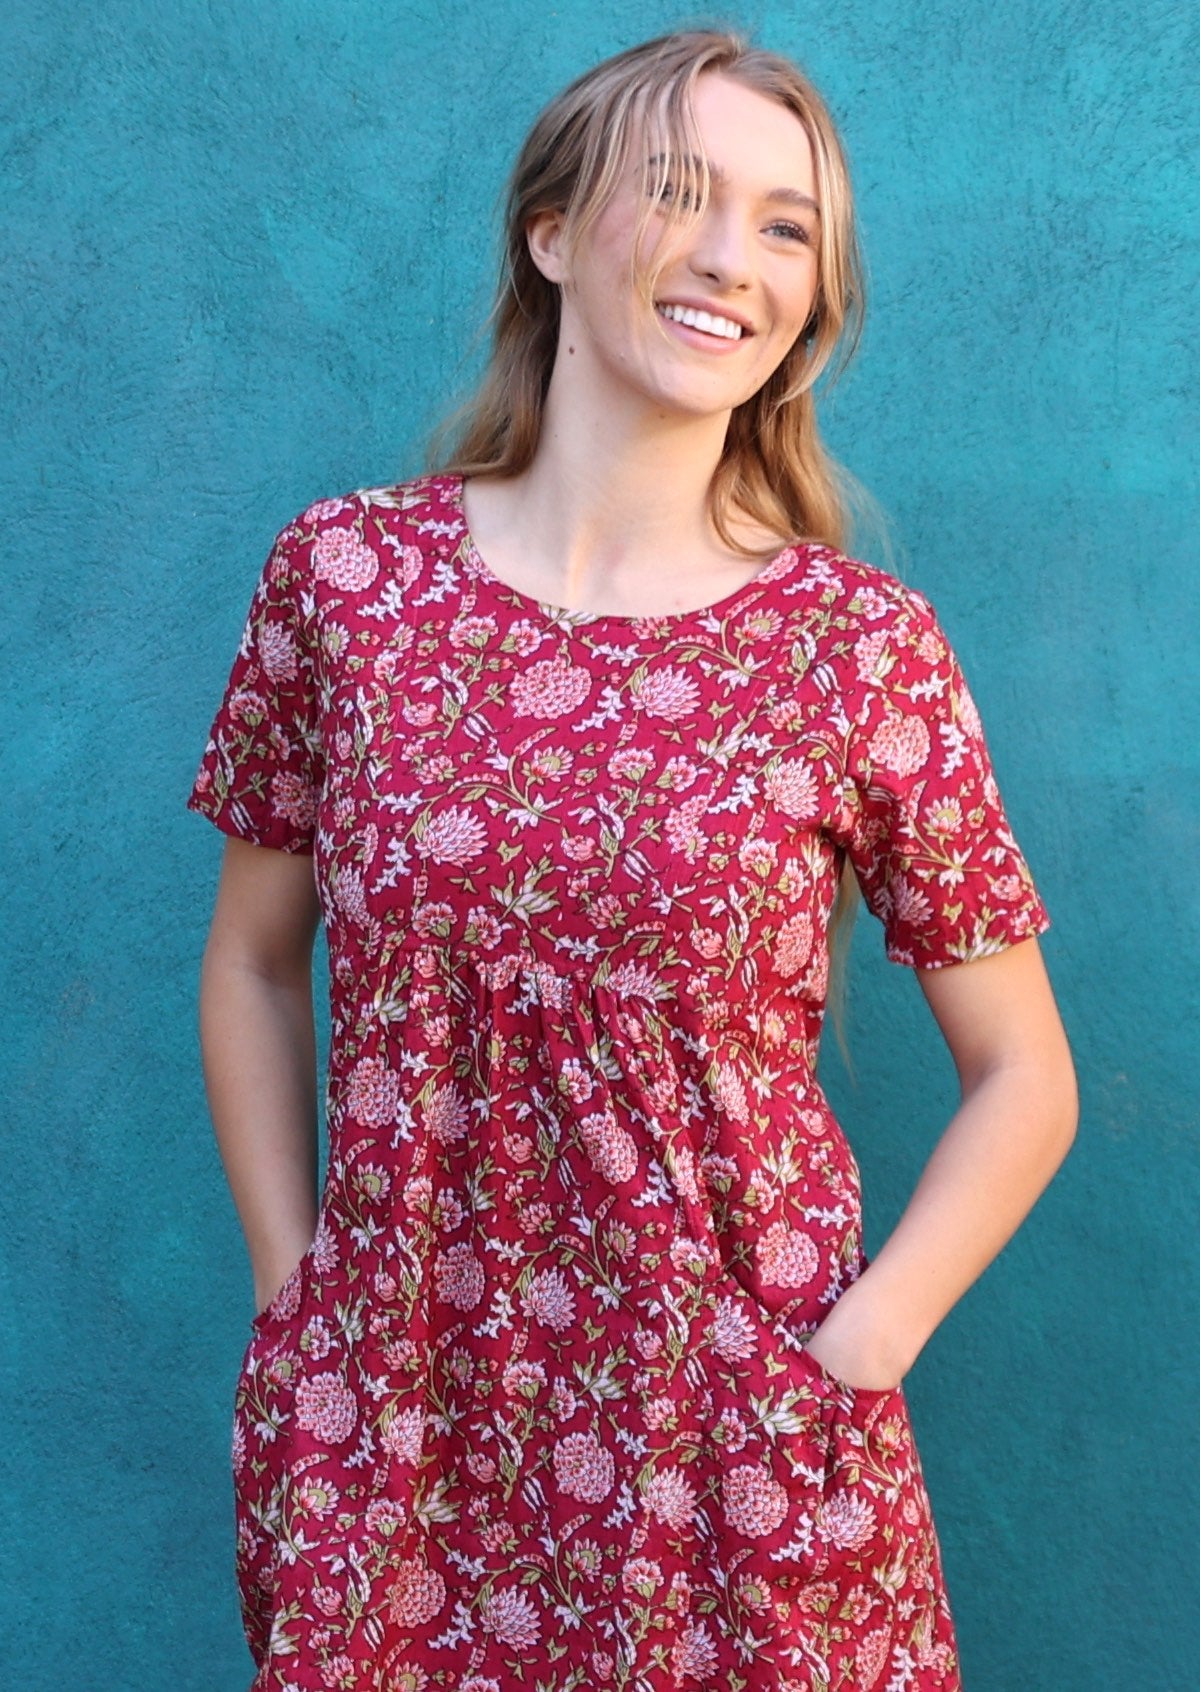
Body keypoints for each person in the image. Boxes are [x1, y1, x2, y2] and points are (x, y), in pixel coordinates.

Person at [187, 28, 1077, 1692]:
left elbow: (1027, 1072)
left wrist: (849, 1358)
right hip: (391, 1442)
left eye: (787, 226)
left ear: (813, 299)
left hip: (739, 1455)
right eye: (678, 191)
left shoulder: (856, 649)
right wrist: (293, 1292)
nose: (731, 257)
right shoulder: (347, 582)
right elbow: (249, 959)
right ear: (549, 230)